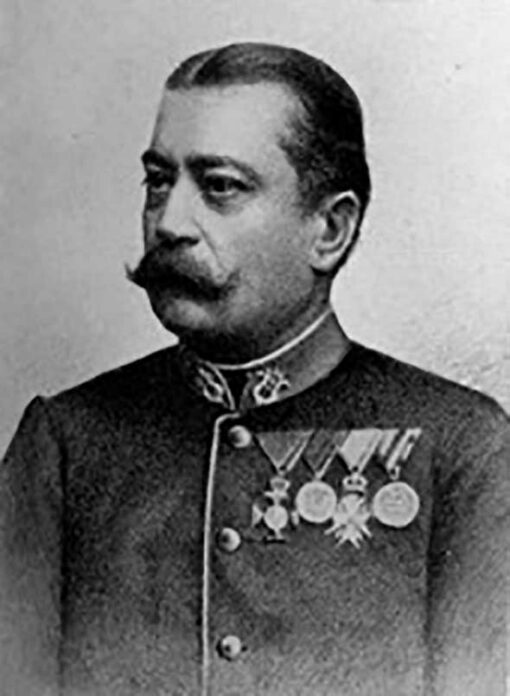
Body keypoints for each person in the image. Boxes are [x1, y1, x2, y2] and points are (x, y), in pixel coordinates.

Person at [1, 42, 508, 696]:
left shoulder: (463, 448)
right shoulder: (65, 446)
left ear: (330, 229)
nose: (170, 223)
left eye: (220, 187)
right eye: (158, 181)